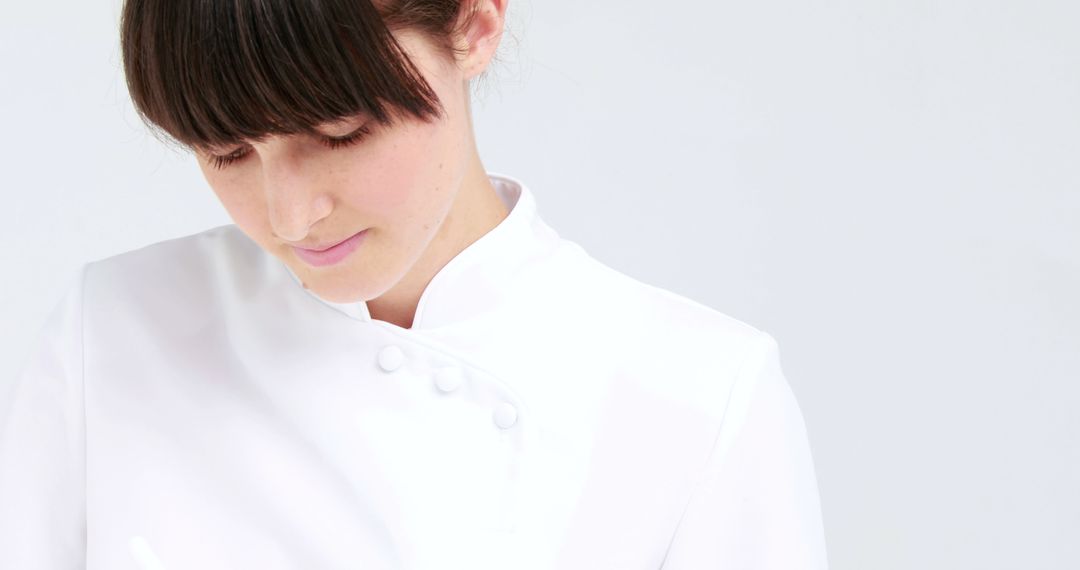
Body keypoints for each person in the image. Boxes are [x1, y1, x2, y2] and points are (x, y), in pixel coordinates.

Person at [0, 0, 829, 568]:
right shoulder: (114, 330)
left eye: (339, 132)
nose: (290, 215)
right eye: (227, 154)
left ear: (473, 23)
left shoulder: (701, 397)